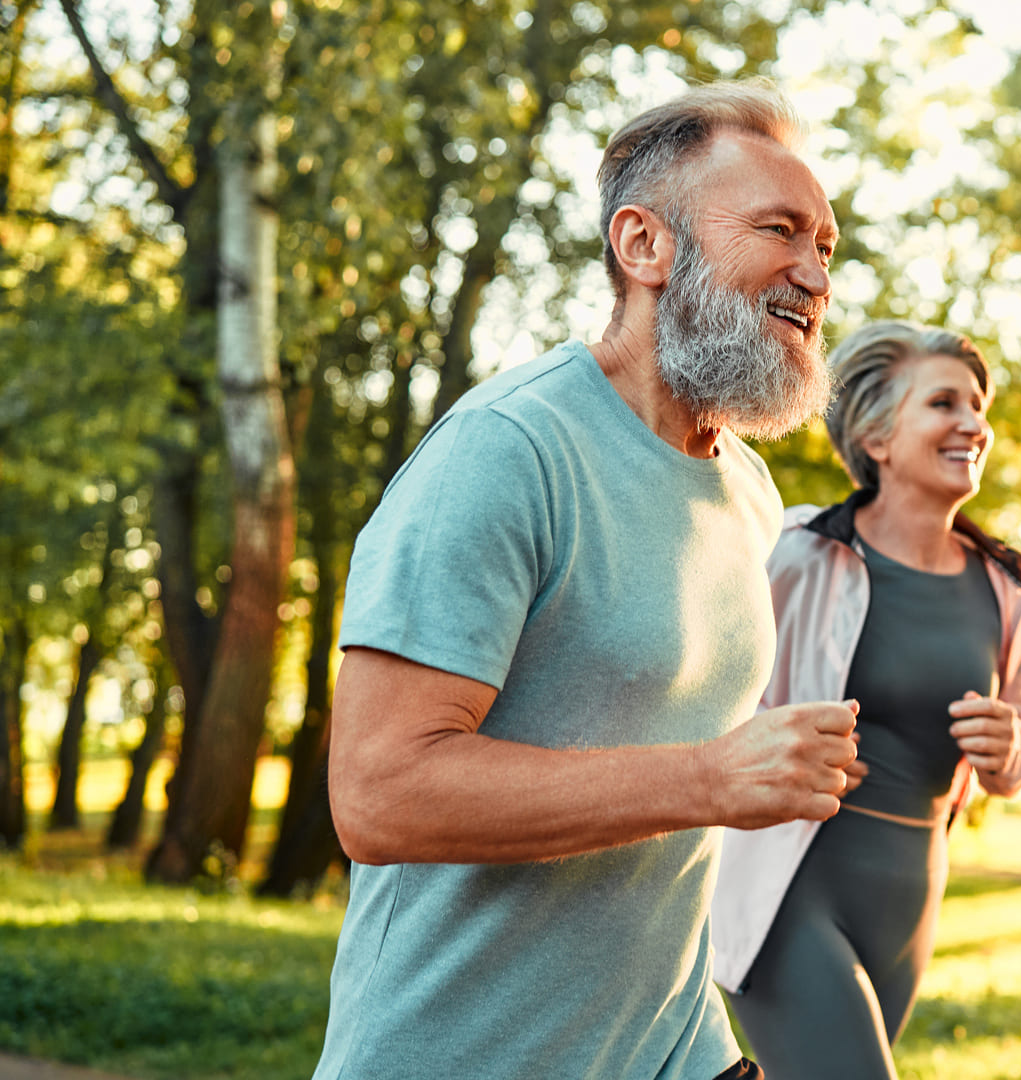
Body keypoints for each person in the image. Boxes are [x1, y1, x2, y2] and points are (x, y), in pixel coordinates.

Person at [313, 80, 859, 1080]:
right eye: (778, 230)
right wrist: (713, 777)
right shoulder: (507, 451)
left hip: (675, 1052)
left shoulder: (745, 488)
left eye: (826, 247)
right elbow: (379, 794)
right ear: (643, 246)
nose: (814, 276)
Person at [710, 321, 1021, 1079]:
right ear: (877, 438)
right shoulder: (799, 551)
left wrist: (1011, 748)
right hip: (791, 884)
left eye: (976, 405)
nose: (973, 423)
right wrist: (781, 741)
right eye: (943, 404)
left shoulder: (1005, 585)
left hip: (910, 891)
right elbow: (711, 690)